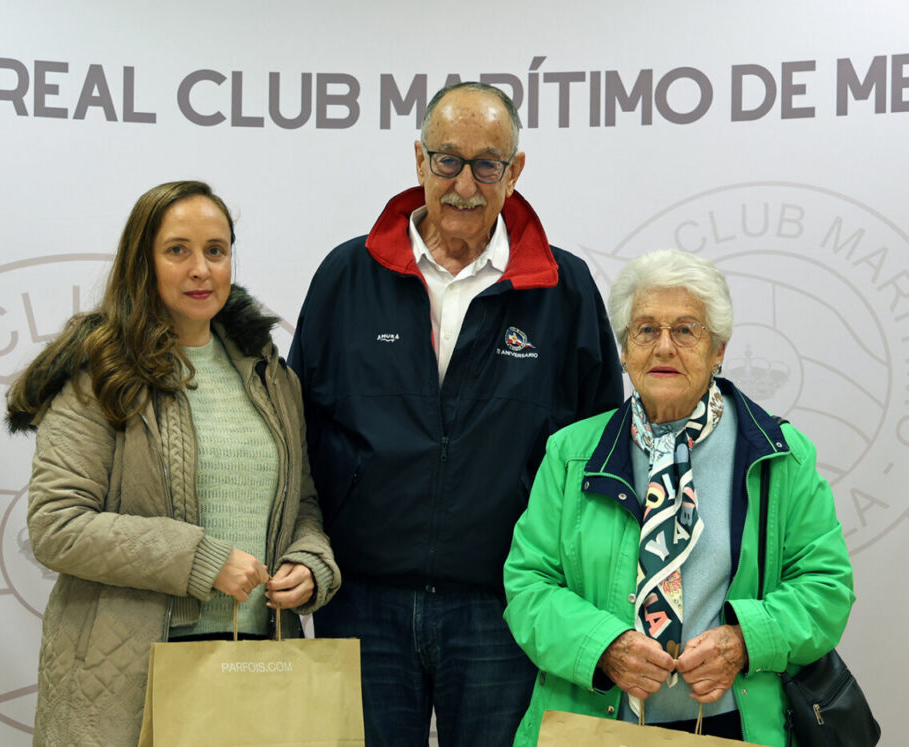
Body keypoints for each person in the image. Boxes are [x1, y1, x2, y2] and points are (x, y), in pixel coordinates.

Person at [288, 82, 623, 745]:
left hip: (505, 608)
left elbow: (600, 451)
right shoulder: (346, 276)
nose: (464, 183)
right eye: (447, 160)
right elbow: (297, 431)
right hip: (362, 601)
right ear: (419, 161)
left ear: (514, 170)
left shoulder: (565, 288)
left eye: (486, 163)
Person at [5, 180, 340, 747]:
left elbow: (302, 505)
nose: (201, 269)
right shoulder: (100, 372)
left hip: (257, 660)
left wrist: (311, 564)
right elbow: (56, 526)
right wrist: (200, 561)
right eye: (177, 250)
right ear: (143, 261)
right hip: (129, 678)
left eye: (216, 250)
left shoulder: (271, 378)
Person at [503, 249, 855, 746]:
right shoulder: (571, 454)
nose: (664, 347)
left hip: (735, 726)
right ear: (624, 349)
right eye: (645, 330)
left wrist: (743, 642)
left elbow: (825, 587)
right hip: (595, 725)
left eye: (687, 329)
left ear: (719, 350)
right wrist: (603, 646)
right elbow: (527, 585)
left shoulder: (780, 455)